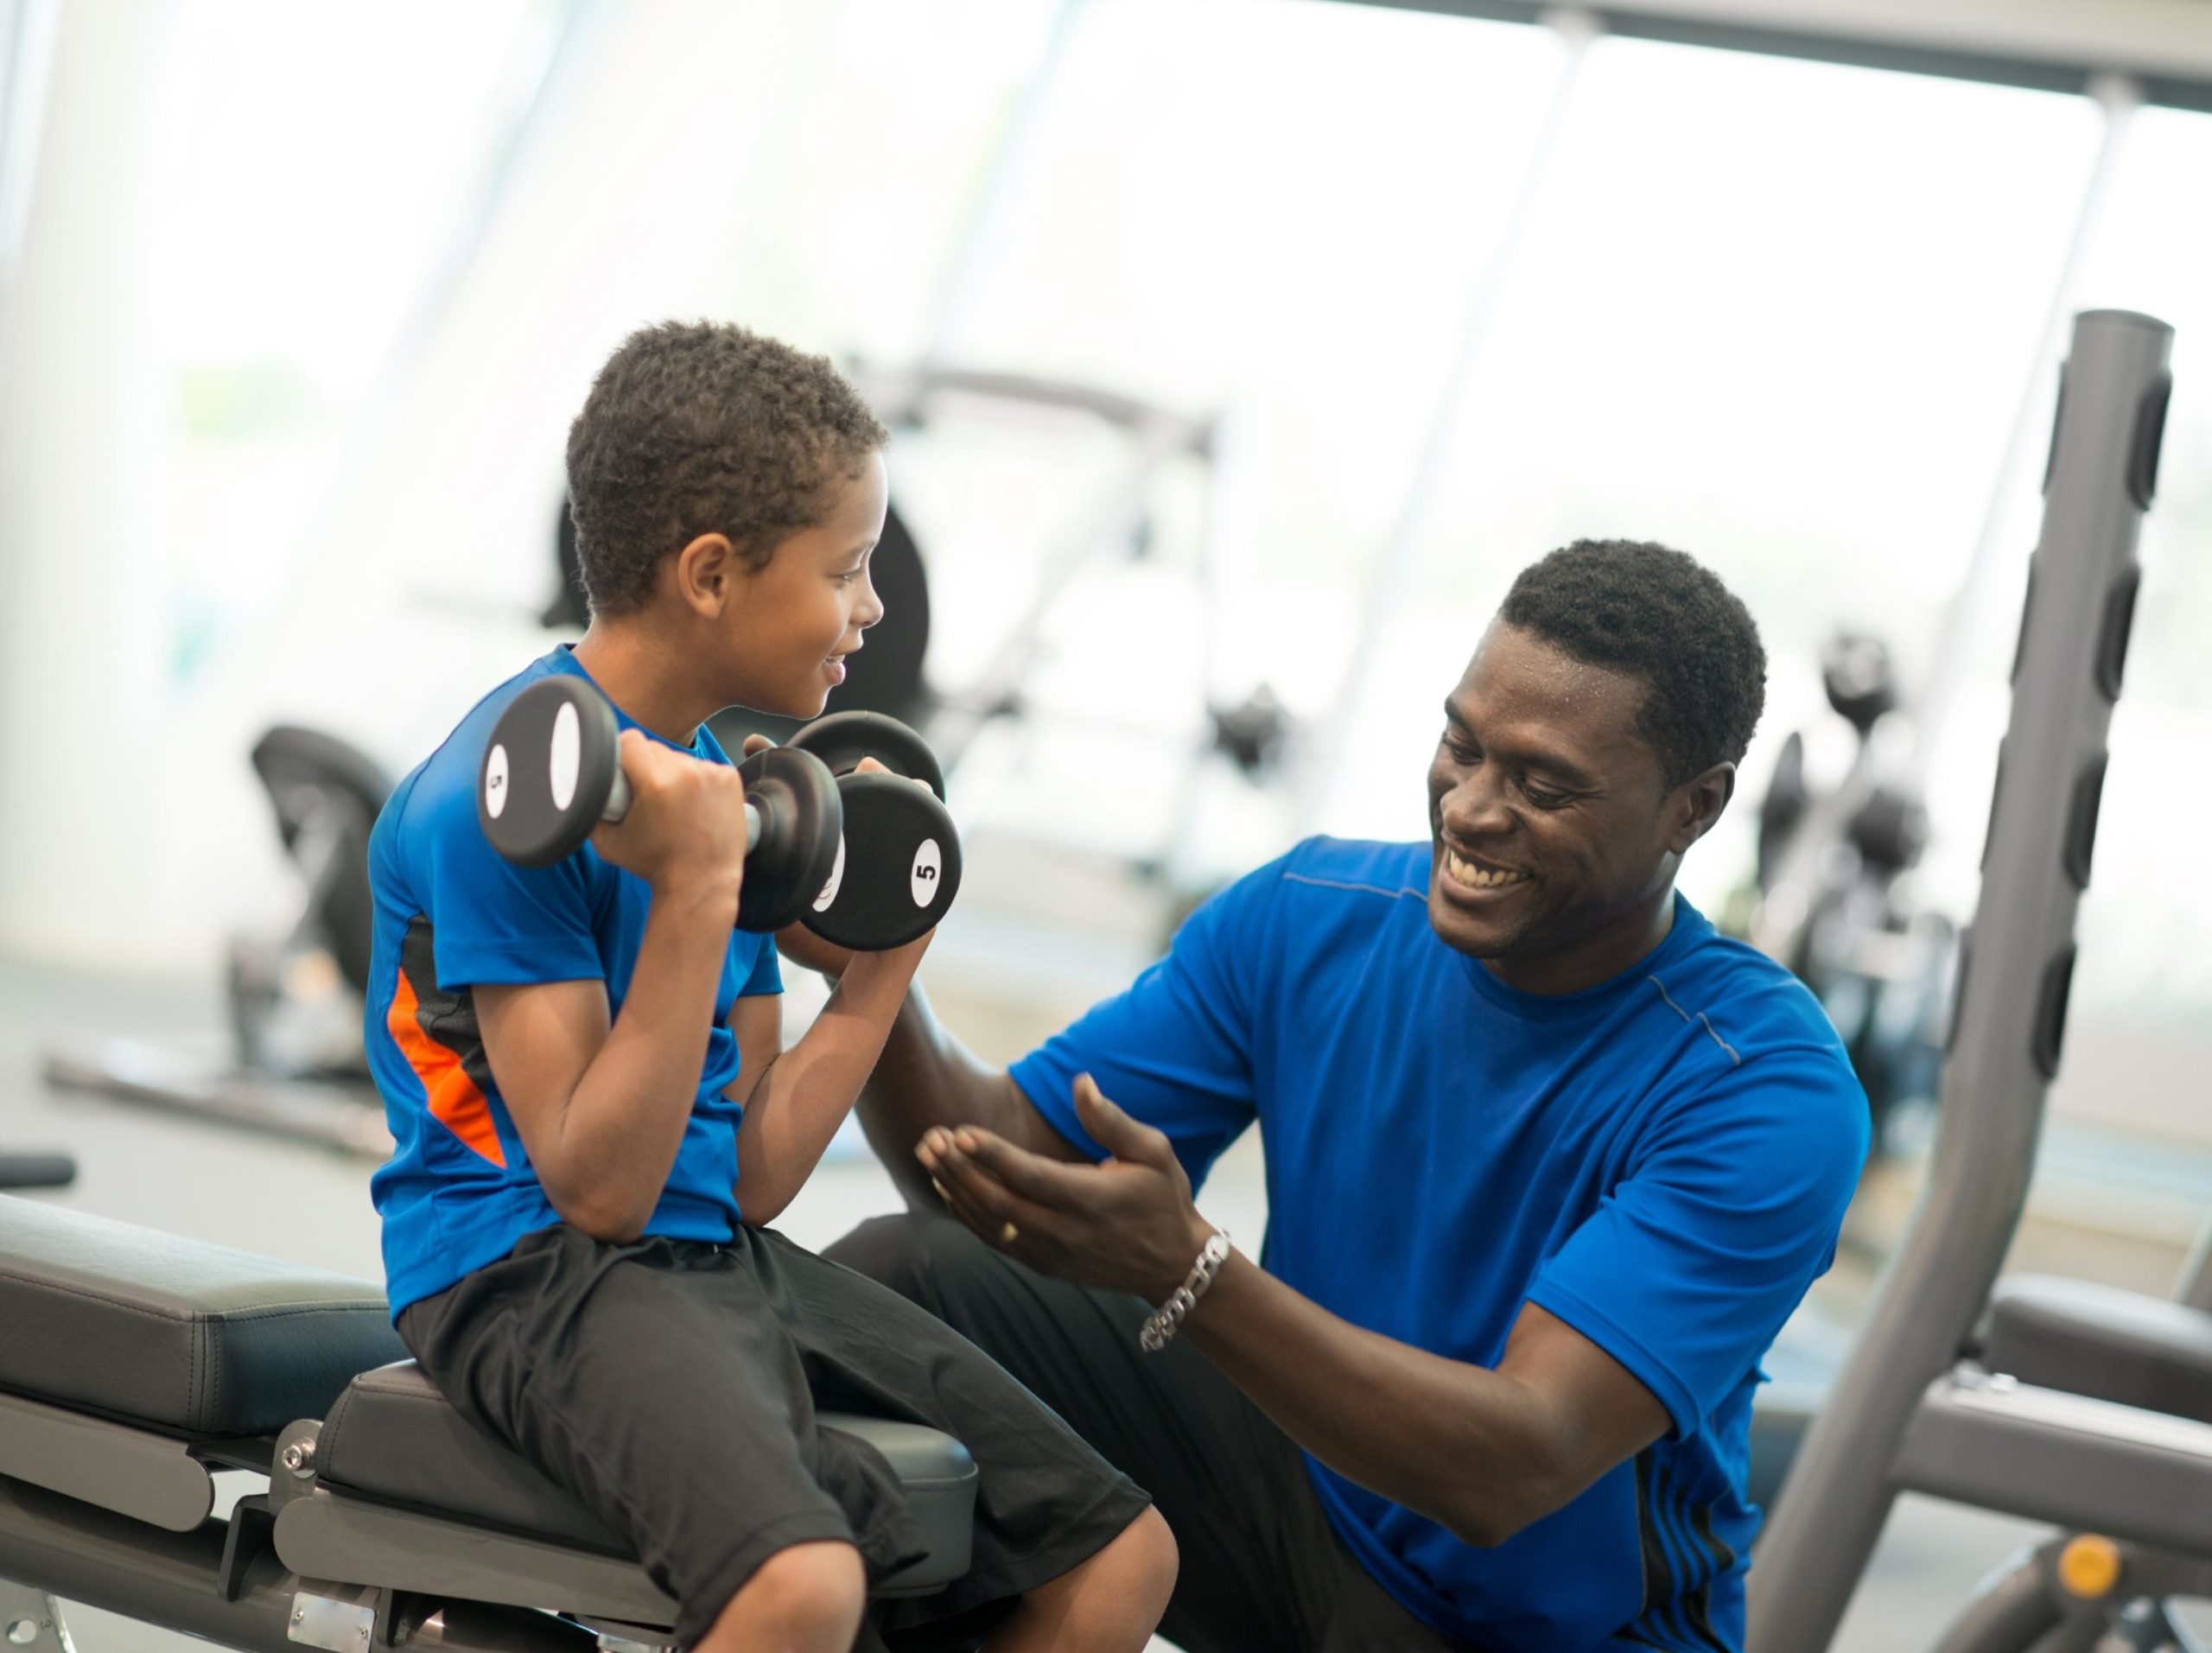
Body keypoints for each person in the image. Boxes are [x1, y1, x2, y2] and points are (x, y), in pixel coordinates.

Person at [828, 540, 1871, 1653]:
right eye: (1462, 747)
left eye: (1542, 785)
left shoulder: (1763, 1087)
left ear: (1692, 808)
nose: (1471, 809)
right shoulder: (1311, 914)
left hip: (1529, 1632)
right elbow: (993, 1163)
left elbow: (1517, 1465)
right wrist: (871, 955)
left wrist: (1190, 1270)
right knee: (907, 1280)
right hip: (1304, 1499)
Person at [361, 321, 1175, 1653]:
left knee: (1116, 1561)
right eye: (846, 570)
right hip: (518, 1268)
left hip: (708, 1252)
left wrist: (882, 965)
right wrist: (697, 884)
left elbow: (744, 1174)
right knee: (798, 1585)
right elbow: (597, 1185)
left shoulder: (724, 793)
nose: (874, 608)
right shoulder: (494, 799)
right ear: (710, 575)